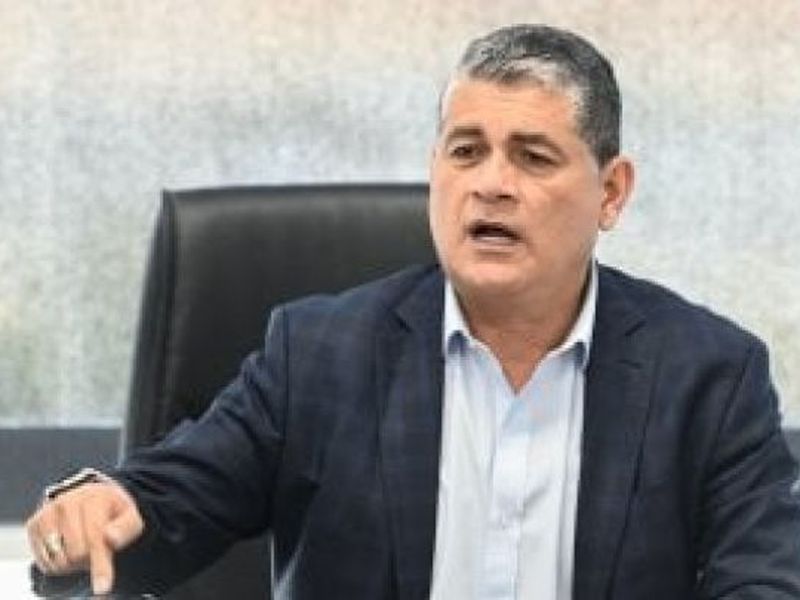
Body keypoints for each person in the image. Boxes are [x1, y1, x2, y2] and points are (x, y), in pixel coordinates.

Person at [26, 23, 800, 599]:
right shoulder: (319, 355)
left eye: (532, 157)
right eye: (465, 151)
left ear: (612, 192)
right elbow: (166, 502)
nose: (490, 184)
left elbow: (766, 579)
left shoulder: (709, 376)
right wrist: (92, 511)